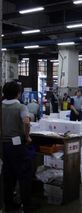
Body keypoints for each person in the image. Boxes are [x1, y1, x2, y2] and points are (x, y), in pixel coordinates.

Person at [1, 81, 38, 212]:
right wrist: (27, 136)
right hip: (17, 146)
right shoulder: (21, 107)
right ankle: (27, 205)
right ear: (18, 93)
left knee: (8, 176)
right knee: (24, 174)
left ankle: (9, 205)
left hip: (3, 146)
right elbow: (26, 122)